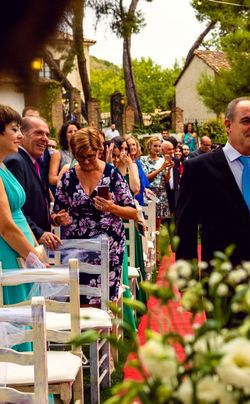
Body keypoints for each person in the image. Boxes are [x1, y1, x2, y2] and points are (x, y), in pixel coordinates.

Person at [176, 97, 250, 272]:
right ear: (228, 125)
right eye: (246, 121)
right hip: (221, 282)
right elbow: (186, 230)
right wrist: (187, 285)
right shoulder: (199, 168)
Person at [52, 128, 138, 316]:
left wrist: (111, 208)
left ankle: (101, 339)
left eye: (90, 156)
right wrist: (59, 218)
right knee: (77, 300)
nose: (85, 161)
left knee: (103, 304)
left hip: (108, 250)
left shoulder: (112, 174)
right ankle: (84, 341)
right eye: (79, 157)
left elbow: (132, 212)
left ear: (100, 150)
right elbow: (56, 214)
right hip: (76, 249)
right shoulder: (68, 177)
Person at [0, 105, 46, 304]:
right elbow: (6, 226)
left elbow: (18, 212)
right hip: (10, 251)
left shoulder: (3, 165)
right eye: (14, 129)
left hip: (24, 250)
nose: (20, 135)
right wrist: (33, 258)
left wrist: (36, 249)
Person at [4, 116, 61, 251]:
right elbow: (15, 207)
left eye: (47, 134)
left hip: (36, 241)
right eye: (39, 133)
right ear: (22, 135)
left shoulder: (35, 161)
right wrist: (38, 232)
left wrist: (52, 218)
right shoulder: (16, 161)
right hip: (22, 242)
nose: (45, 138)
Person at [140, 136, 172, 225]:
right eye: (155, 146)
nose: (157, 148)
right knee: (148, 223)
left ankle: (157, 239)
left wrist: (169, 168)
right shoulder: (143, 159)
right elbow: (146, 178)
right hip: (149, 192)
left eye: (159, 146)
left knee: (158, 225)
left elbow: (166, 179)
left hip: (161, 194)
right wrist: (161, 168)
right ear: (149, 146)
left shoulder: (163, 160)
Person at [49, 120, 79, 190]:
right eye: (70, 132)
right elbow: (51, 178)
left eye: (76, 131)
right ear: (65, 136)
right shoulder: (58, 153)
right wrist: (70, 180)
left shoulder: (84, 153)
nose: (73, 133)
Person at [125, 135, 150, 206]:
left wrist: (145, 189)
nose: (132, 147)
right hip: (130, 200)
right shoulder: (125, 164)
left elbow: (141, 180)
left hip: (140, 200)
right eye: (129, 145)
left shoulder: (137, 162)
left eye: (134, 144)